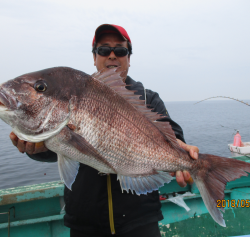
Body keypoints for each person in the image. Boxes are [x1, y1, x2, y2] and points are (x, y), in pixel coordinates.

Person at [9, 24, 199, 237]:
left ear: (129, 57)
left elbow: (172, 133)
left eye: (120, 50)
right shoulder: (75, 93)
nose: (111, 55)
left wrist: (180, 150)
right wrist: (36, 148)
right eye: (103, 50)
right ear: (94, 56)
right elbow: (58, 148)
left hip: (141, 223)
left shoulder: (148, 98)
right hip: (85, 224)